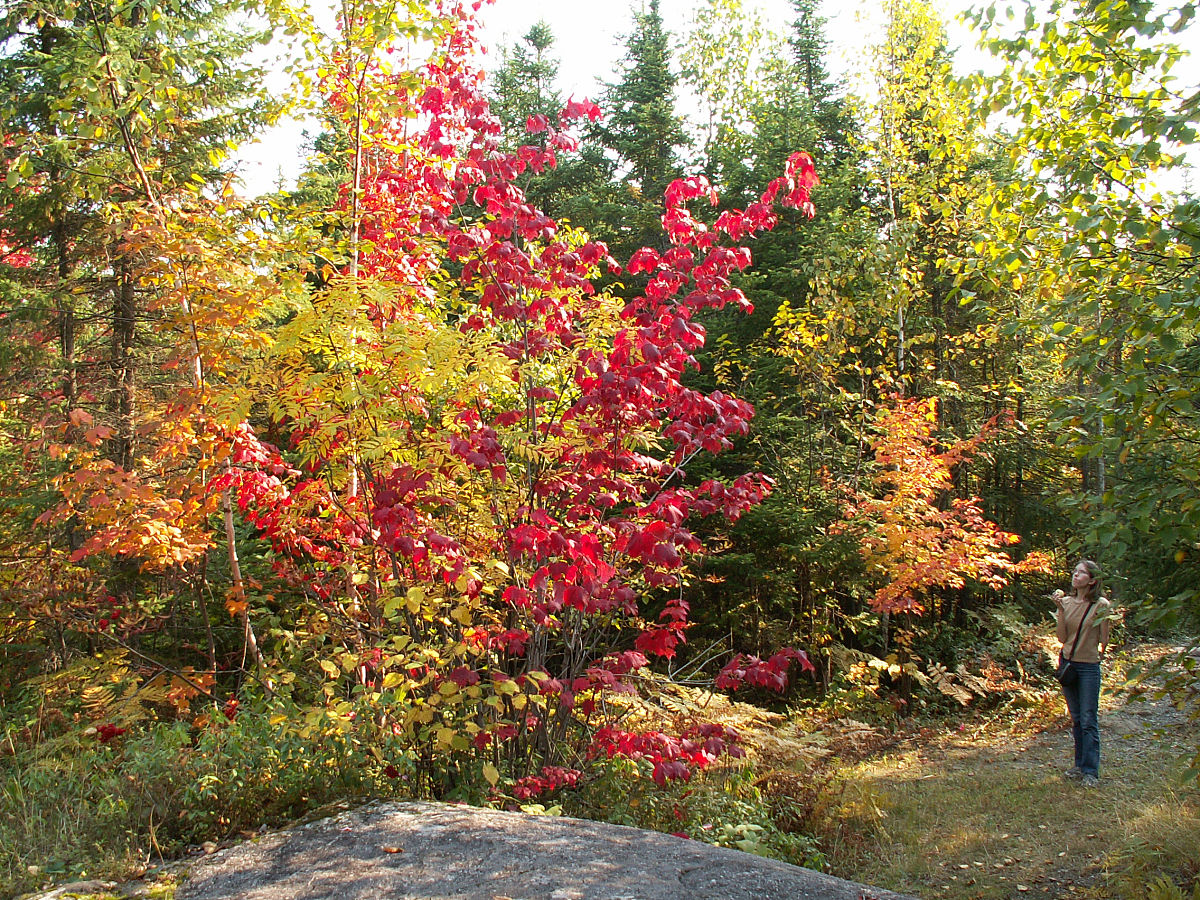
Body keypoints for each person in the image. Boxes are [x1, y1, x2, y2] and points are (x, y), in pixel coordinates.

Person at [1052, 559, 1113, 787]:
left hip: (1089, 666)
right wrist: (1059, 610)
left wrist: (1100, 651)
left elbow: (1104, 639)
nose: (1075, 576)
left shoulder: (1101, 605)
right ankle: (1079, 766)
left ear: (1092, 580)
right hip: (1068, 664)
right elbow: (1061, 638)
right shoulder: (1066, 602)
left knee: (1088, 719)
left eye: (1081, 573)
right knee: (1076, 718)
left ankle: (1090, 772)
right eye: (1075, 572)